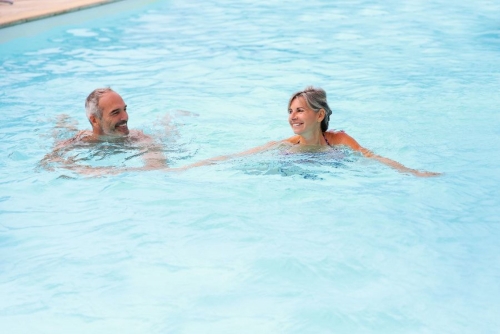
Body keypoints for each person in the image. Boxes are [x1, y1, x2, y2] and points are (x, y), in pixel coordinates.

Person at [180, 86, 440, 177]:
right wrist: (185, 169)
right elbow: (236, 157)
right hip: (293, 168)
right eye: (291, 111)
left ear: (319, 115)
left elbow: (372, 157)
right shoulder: (286, 145)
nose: (293, 116)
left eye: (300, 110)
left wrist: (412, 172)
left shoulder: (339, 139)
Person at [41, 87, 167, 173]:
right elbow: (47, 163)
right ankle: (63, 121)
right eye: (115, 112)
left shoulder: (138, 138)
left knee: (166, 127)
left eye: (125, 109)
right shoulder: (80, 141)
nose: (125, 117)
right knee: (61, 131)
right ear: (94, 120)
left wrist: (100, 172)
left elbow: (156, 168)